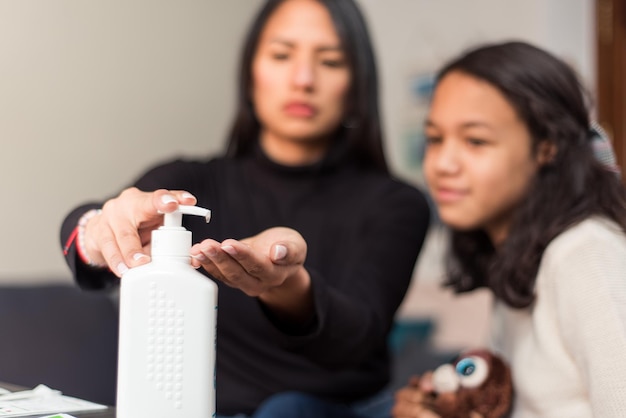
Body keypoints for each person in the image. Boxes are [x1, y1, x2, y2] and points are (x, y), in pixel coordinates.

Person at [59, 0, 431, 417]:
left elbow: (355, 340)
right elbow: (80, 233)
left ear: (356, 83)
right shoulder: (189, 184)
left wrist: (284, 286)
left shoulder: (398, 204)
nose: (303, 79)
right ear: (251, 73)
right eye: (281, 55)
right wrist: (98, 232)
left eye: (329, 61)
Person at [392, 41, 626, 418]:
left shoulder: (585, 254)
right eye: (435, 139)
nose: (442, 164)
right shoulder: (515, 255)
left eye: (475, 141)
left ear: (546, 148)